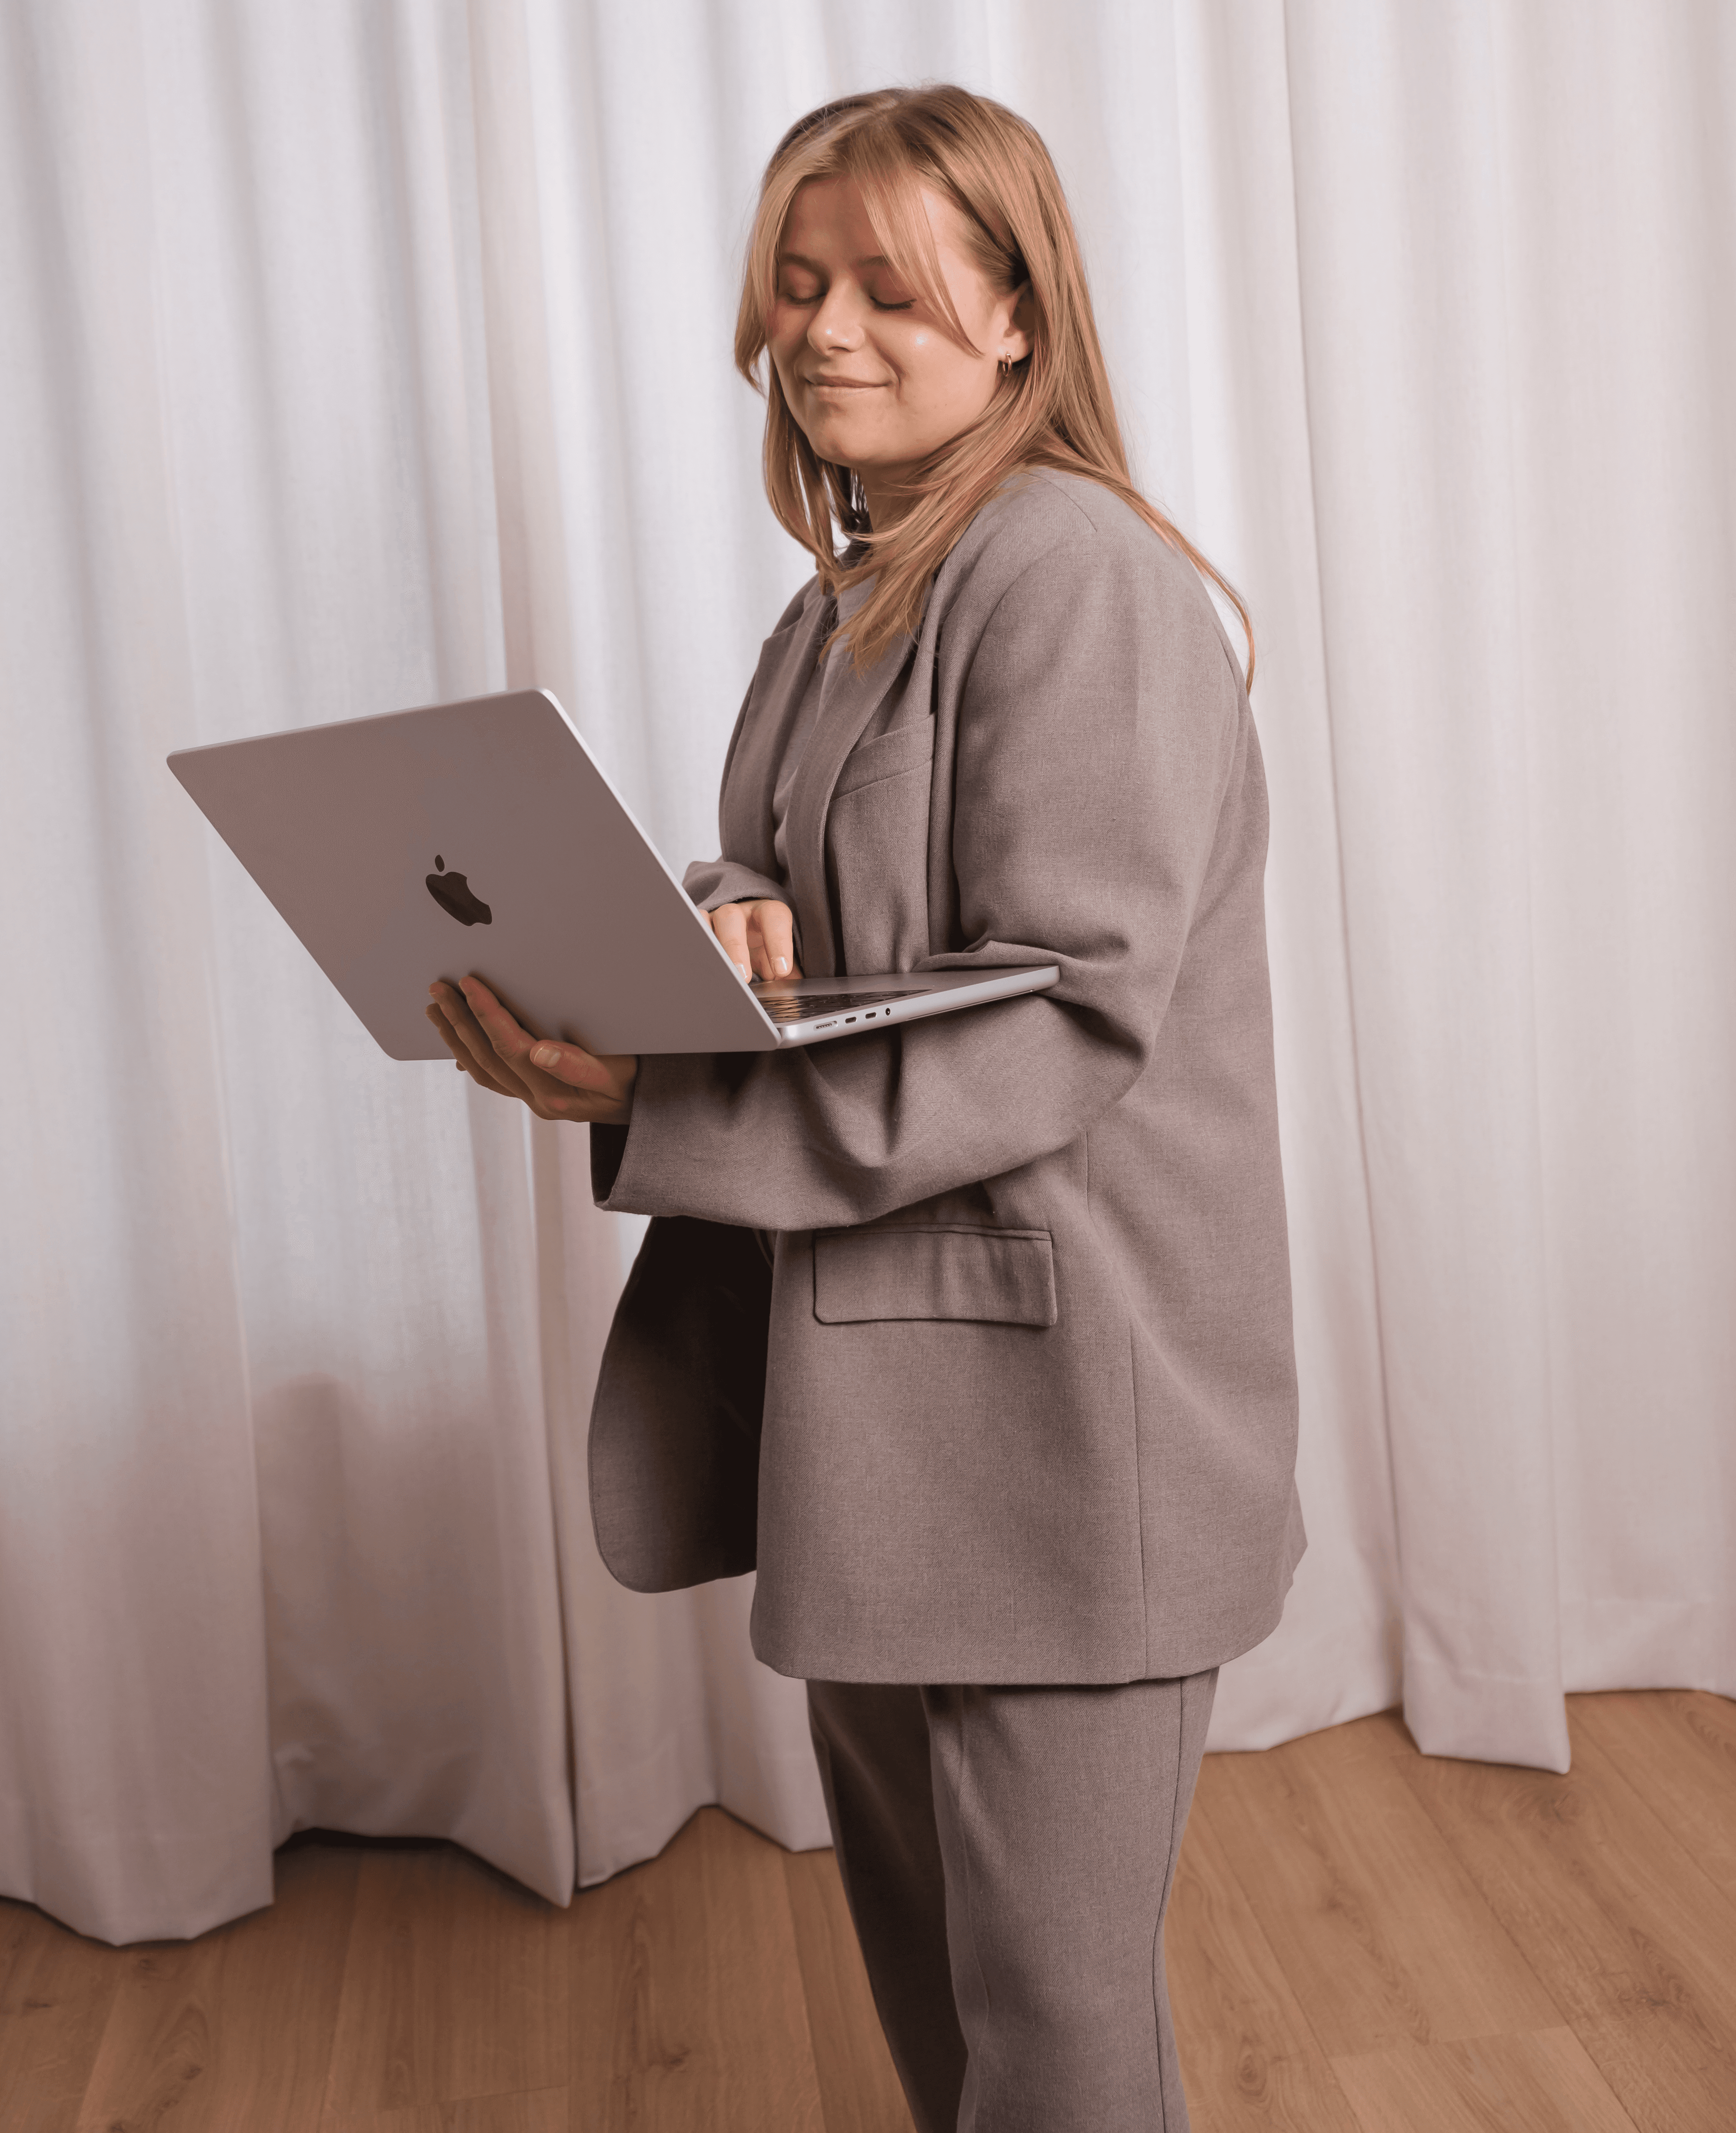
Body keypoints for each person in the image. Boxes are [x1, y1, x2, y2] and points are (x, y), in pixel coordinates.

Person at [429, 83, 1302, 2133]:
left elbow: (1071, 1023)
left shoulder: (1070, 578)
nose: (823, 329)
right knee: (947, 2003)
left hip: (1061, 1425)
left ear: (1016, 314)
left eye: (888, 287)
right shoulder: (847, 600)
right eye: (795, 285)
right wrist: (714, 915)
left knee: (1059, 2040)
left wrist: (662, 1088)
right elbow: (814, 892)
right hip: (888, 1417)